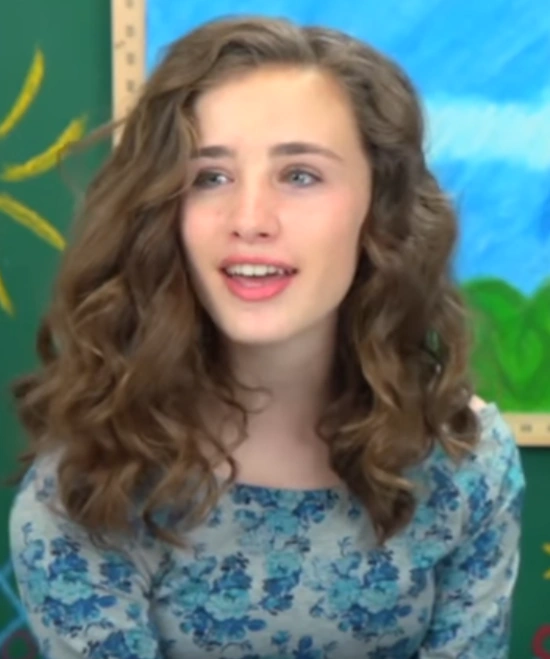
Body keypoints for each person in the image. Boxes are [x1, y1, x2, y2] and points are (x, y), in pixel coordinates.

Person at [9, 15, 525, 659]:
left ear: (381, 209)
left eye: (300, 175)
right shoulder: (89, 486)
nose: (249, 220)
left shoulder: (466, 464)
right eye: (210, 177)